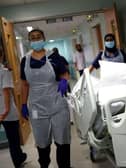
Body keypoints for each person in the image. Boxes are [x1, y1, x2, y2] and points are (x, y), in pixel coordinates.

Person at [20, 29, 71, 168]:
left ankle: (64, 166)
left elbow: (65, 73)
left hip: (57, 103)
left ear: (44, 38)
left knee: (62, 140)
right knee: (42, 143)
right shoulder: (25, 60)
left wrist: (64, 81)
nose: (36, 40)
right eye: (33, 38)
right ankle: (44, 165)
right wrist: (23, 104)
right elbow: (24, 84)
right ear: (29, 41)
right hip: (37, 107)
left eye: (38, 37)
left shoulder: (54, 56)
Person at [0, 51, 27, 168]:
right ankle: (18, 161)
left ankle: (20, 156)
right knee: (13, 139)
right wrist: (6, 110)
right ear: (1, 56)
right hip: (7, 112)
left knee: (12, 137)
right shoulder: (4, 72)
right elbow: (6, 91)